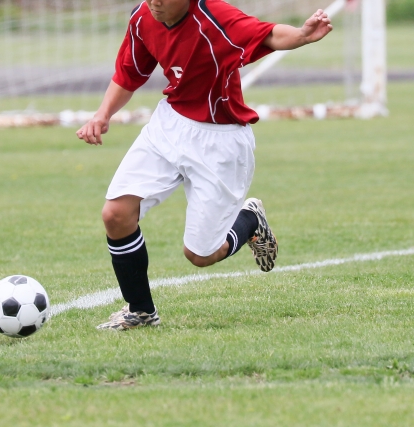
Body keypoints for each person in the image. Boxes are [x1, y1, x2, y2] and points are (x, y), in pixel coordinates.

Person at [76, 0, 333, 330]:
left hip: (221, 143)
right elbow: (129, 73)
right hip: (170, 125)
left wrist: (301, 35)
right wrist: (102, 115)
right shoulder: (143, 18)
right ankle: (140, 311)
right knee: (115, 214)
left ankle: (250, 220)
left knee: (200, 255)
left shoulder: (216, 18)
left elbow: (267, 34)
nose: (155, 2)